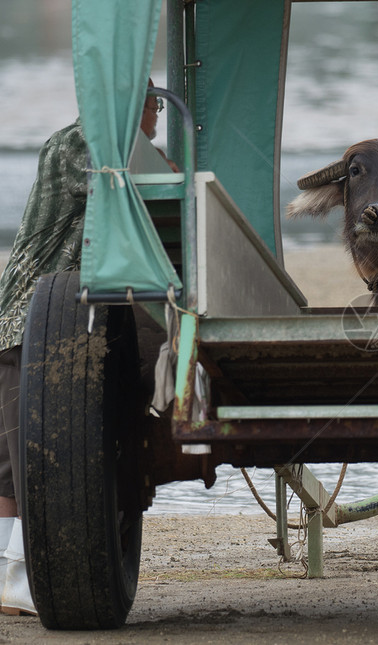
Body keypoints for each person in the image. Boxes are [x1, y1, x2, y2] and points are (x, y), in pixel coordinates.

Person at [0, 83, 173, 616]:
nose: (158, 116)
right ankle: (16, 578)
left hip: (44, 322)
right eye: (154, 106)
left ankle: (11, 579)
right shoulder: (77, 145)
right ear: (129, 106)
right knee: (26, 459)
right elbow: (152, 184)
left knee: (11, 462)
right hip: (31, 321)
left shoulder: (99, 147)